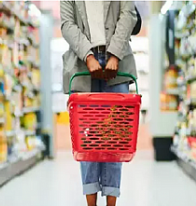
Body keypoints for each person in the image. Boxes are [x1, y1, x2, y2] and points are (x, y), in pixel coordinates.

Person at [60, 1, 137, 206]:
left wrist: (114, 53)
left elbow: (128, 14)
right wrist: (88, 55)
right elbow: (67, 24)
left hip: (118, 63)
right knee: (87, 138)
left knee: (115, 138)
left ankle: (112, 203)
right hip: (82, 62)